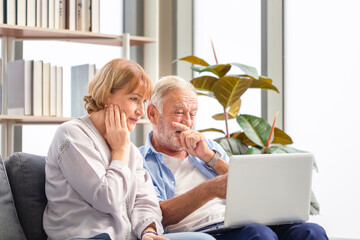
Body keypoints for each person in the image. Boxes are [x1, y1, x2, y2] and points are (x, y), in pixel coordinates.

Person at [139, 75, 329, 240]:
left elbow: (246, 187)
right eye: (179, 113)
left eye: (193, 114)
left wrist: (209, 157)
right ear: (153, 114)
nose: (188, 122)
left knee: (311, 232)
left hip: (244, 222)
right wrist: (209, 190)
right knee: (260, 235)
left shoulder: (210, 147)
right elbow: (154, 216)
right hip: (209, 231)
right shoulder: (140, 160)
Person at [43, 59, 215, 240]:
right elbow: (106, 199)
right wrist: (119, 152)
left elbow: (145, 201)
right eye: (134, 99)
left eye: (143, 101)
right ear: (106, 94)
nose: (141, 111)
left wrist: (148, 231)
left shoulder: (129, 149)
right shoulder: (72, 134)